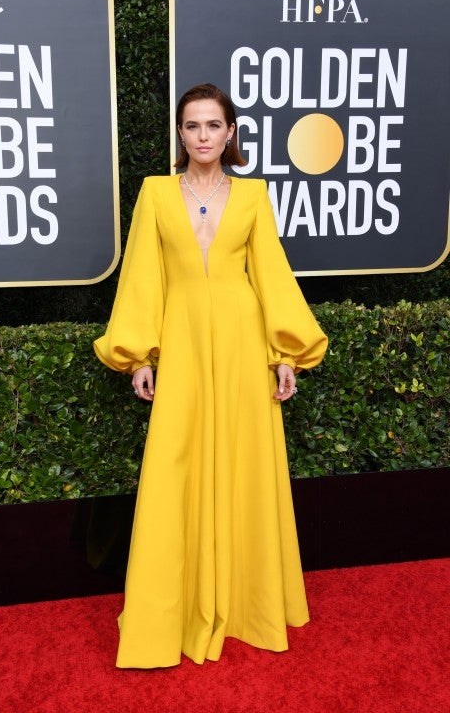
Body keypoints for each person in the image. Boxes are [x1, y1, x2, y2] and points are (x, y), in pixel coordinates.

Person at [94, 83, 328, 668]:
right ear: (181, 133)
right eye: (192, 125)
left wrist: (285, 352)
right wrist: (139, 356)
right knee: (175, 467)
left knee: (244, 464)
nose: (202, 135)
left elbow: (271, 274)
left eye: (213, 125)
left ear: (230, 133)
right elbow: (142, 276)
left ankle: (248, 604)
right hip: (182, 344)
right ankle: (173, 608)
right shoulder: (155, 193)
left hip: (242, 343)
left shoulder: (252, 195)